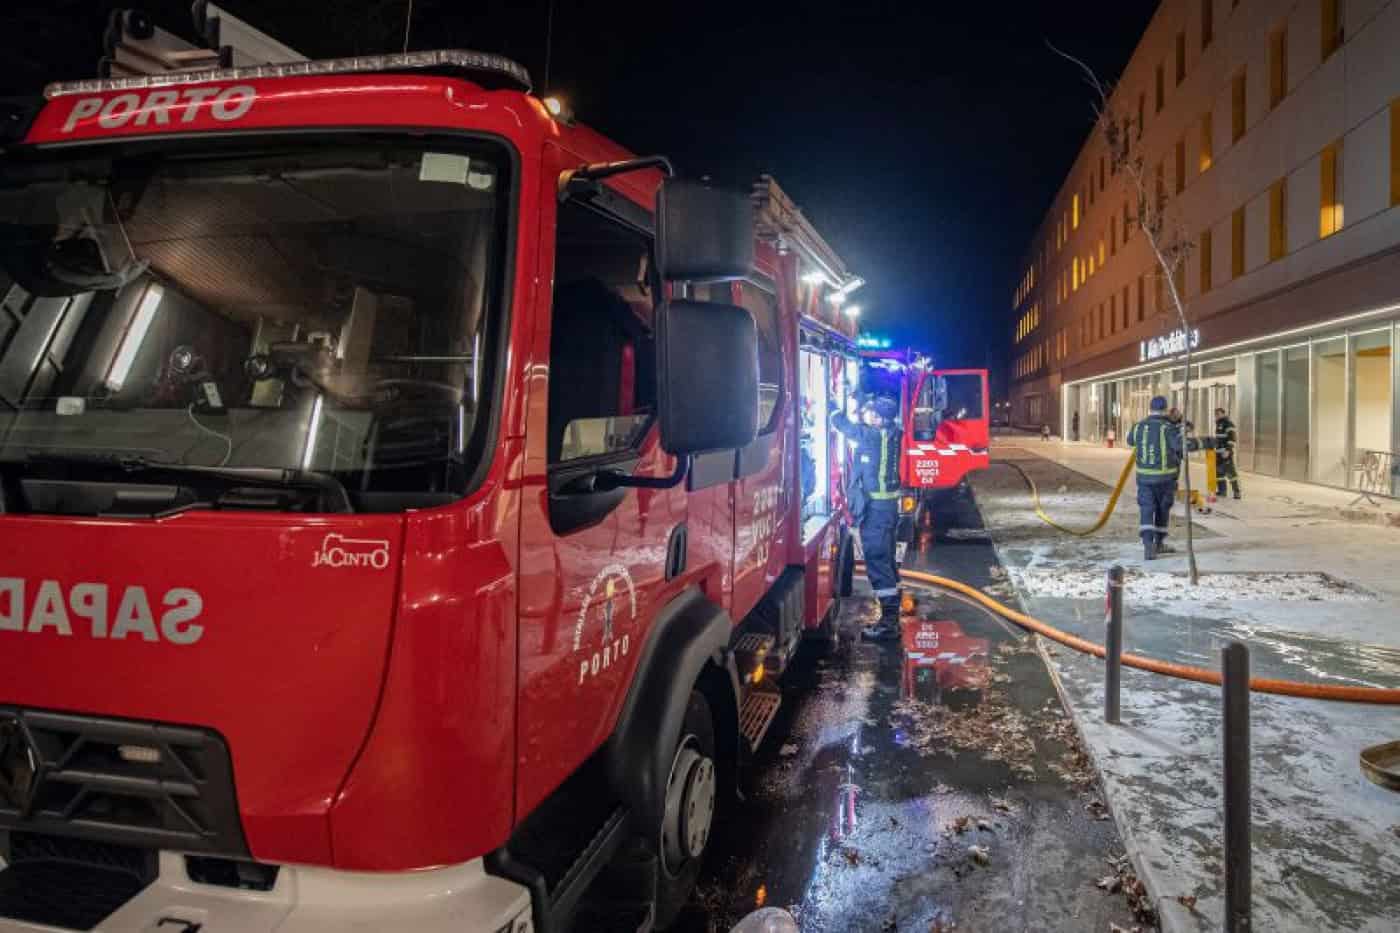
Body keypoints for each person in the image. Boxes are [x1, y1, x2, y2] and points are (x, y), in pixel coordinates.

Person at [832, 394, 904, 641]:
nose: (866, 414)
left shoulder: (871, 436)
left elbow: (843, 425)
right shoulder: (893, 433)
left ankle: (889, 625)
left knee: (878, 563)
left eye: (871, 412)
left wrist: (832, 408)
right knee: (887, 562)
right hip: (887, 509)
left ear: (880, 418)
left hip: (876, 512)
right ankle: (892, 618)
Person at [1128, 395, 1191, 561]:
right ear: (1165, 409)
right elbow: (1178, 446)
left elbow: (1130, 441)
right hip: (1165, 480)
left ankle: (1148, 546)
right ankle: (1159, 543)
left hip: (1144, 479)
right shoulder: (1168, 428)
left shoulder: (1138, 426)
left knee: (1147, 509)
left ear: (1150, 409)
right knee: (1163, 510)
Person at [1214, 407, 1242, 499]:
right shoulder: (1219, 424)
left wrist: (1228, 450)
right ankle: (1222, 491)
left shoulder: (1228, 424)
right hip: (1218, 453)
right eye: (1216, 414)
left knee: (1231, 473)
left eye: (1218, 414)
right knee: (1219, 473)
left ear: (1223, 413)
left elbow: (1232, 438)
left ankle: (1237, 492)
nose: (1217, 416)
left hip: (1226, 453)